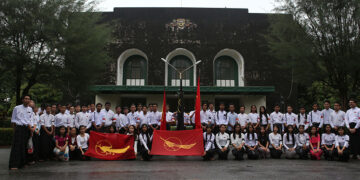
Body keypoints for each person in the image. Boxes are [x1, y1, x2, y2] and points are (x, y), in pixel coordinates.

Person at [9, 95, 33, 170]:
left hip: (26, 129)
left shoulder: (30, 109)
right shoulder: (17, 108)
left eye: (28, 99)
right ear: (22, 100)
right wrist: (14, 130)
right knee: (17, 146)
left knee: (24, 146)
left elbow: (30, 120)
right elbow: (13, 120)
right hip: (19, 128)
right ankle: (14, 164)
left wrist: (31, 130)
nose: (27, 100)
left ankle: (23, 163)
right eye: (25, 98)